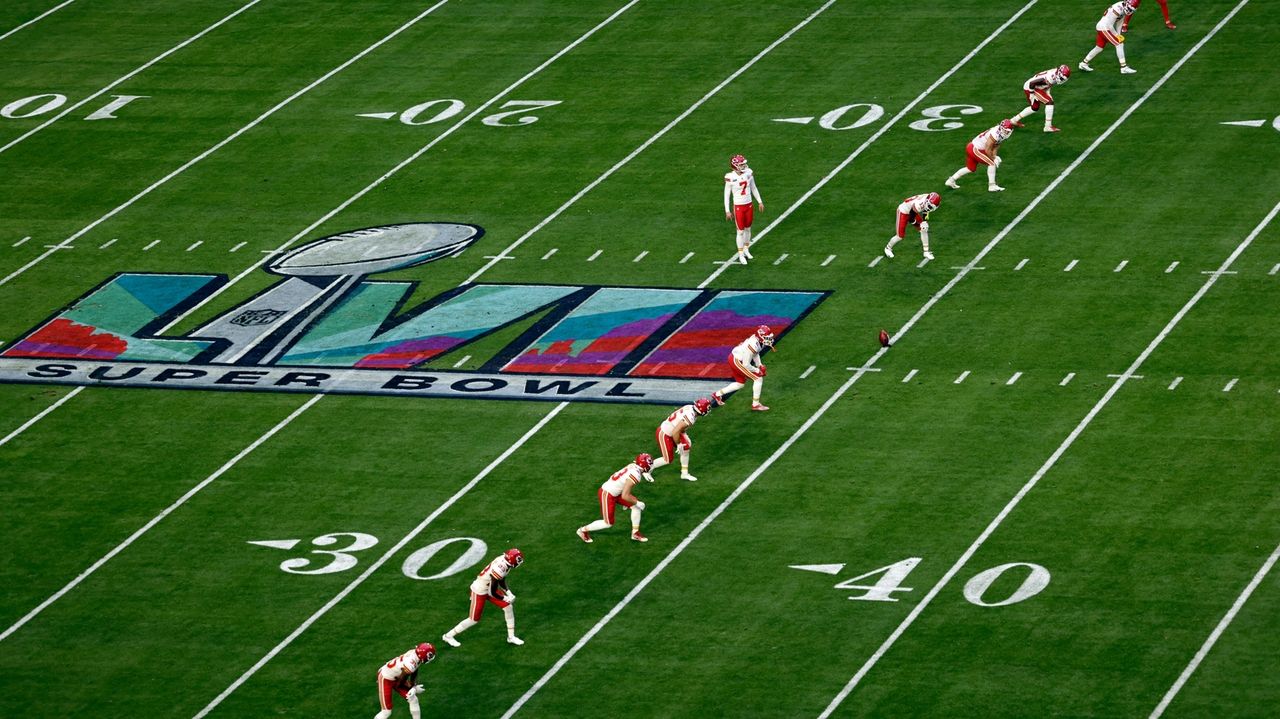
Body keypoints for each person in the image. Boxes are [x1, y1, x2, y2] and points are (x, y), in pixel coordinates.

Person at [441, 548, 524, 647]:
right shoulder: (500, 567)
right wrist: (505, 598)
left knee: (508, 607)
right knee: (473, 619)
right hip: (480, 590)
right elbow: (493, 592)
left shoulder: (505, 562)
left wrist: (508, 592)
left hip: (488, 587)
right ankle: (448, 636)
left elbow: (501, 580)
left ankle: (511, 637)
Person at [577, 454, 652, 543]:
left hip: (616, 491)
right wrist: (636, 502)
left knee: (636, 507)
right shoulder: (636, 475)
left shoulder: (633, 465)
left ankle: (635, 533)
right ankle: (582, 530)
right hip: (608, 494)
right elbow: (625, 495)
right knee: (608, 523)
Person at [712, 325, 773, 411]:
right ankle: (755, 404)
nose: (769, 339)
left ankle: (717, 394)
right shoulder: (753, 345)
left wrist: (759, 365)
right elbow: (746, 365)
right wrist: (757, 370)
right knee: (758, 378)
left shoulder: (758, 341)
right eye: (767, 337)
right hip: (737, 360)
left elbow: (756, 353)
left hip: (734, 358)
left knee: (740, 384)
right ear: (761, 336)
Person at [945, 119, 1015, 192]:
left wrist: (995, 156)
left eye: (1008, 131)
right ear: (1001, 128)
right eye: (1005, 130)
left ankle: (951, 180)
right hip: (975, 148)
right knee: (991, 163)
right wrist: (993, 159)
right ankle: (992, 186)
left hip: (973, 147)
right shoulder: (995, 134)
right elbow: (987, 149)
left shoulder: (1000, 133)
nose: (1007, 132)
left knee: (970, 168)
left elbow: (996, 145)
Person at [651, 398, 711, 480]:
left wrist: (683, 435)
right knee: (667, 459)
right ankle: (646, 468)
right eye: (707, 408)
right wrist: (678, 444)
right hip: (665, 433)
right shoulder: (690, 417)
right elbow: (675, 431)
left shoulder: (690, 407)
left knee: (686, 446)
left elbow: (678, 426)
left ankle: (684, 473)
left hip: (673, 430)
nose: (708, 409)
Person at [374, 643, 435, 719]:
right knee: (386, 712)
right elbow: (399, 684)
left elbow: (415, 669)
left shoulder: (415, 654)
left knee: (413, 699)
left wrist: (413, 685)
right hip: (386, 678)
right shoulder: (410, 664)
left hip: (396, 675)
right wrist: (413, 689)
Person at [724, 154, 764, 265]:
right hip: (738, 206)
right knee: (740, 231)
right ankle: (740, 254)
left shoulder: (748, 173)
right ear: (735, 165)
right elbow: (726, 195)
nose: (744, 166)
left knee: (748, 229)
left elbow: (754, 187)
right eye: (741, 164)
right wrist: (727, 210)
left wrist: (759, 201)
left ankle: (746, 249)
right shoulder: (730, 177)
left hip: (749, 204)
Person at [1080, 1, 1138, 74]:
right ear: (1126, 4)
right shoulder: (1118, 8)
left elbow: (1120, 22)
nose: (1129, 11)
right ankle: (1124, 67)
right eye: (1129, 9)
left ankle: (1083, 63)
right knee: (1119, 44)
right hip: (1104, 27)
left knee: (1099, 48)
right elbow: (1110, 25)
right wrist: (1117, 36)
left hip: (1103, 27)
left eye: (1131, 10)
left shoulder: (1123, 7)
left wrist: (1119, 35)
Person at [1011, 65, 1070, 133]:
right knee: (1049, 102)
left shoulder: (1055, 74)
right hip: (1031, 88)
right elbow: (1032, 83)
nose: (1062, 80)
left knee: (1034, 108)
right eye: (1062, 78)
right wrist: (1031, 94)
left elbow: (1049, 84)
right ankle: (1047, 126)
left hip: (1037, 87)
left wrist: (1047, 92)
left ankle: (1013, 120)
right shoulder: (1048, 78)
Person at [884, 193, 941, 261]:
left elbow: (926, 210)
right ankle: (888, 248)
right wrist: (918, 224)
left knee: (924, 229)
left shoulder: (927, 200)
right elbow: (911, 219)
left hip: (912, 210)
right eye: (929, 205)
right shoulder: (919, 204)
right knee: (900, 236)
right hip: (903, 211)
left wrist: (924, 222)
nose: (929, 207)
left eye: (931, 206)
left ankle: (926, 252)